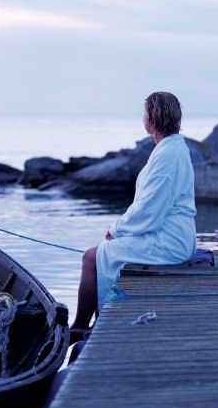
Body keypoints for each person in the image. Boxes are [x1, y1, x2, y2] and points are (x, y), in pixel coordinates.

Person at [70, 91, 197, 341]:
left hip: (170, 240)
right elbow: (149, 207)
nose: (143, 117)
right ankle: (91, 321)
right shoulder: (170, 149)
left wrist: (117, 229)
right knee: (103, 253)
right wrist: (120, 230)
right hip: (167, 232)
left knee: (92, 257)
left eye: (145, 112)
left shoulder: (168, 154)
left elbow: (149, 210)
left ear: (153, 117)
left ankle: (79, 327)